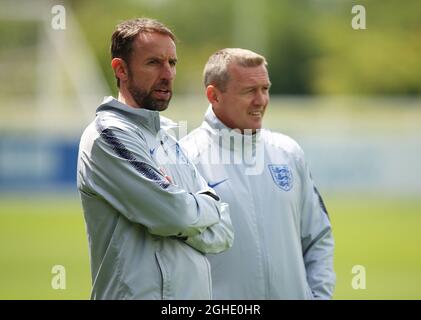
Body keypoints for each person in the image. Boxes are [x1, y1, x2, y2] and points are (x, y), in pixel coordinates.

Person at [77, 18, 233, 300]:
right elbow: (174, 213)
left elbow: (224, 232)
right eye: (153, 63)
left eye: (172, 63)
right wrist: (196, 210)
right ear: (120, 69)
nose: (168, 74)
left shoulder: (168, 139)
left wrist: (181, 215)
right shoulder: (108, 136)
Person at [180, 48, 335, 299]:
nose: (260, 100)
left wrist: (318, 296)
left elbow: (318, 237)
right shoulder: (185, 158)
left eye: (265, 89)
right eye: (249, 91)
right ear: (214, 95)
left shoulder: (288, 152)